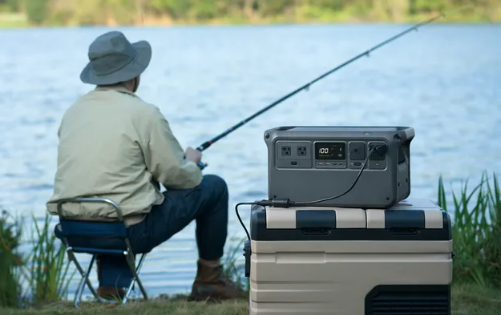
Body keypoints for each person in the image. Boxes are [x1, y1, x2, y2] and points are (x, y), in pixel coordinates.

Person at [46, 31, 245, 301]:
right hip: (127, 233)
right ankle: (210, 281)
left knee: (116, 201)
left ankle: (111, 289)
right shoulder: (144, 113)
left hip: (73, 230)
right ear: (134, 74)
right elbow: (179, 178)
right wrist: (192, 164)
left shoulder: (73, 113)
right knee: (214, 187)